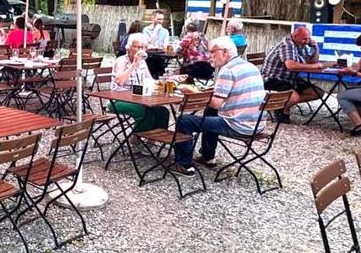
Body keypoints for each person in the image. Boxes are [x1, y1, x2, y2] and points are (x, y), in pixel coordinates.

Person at [173, 36, 266, 176]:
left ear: (225, 52)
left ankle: (183, 164)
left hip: (239, 125)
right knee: (210, 112)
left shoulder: (227, 70)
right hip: (258, 124)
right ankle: (207, 156)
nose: (209, 56)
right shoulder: (249, 66)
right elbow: (223, 96)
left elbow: (216, 103)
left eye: (212, 52)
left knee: (184, 120)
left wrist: (192, 92)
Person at [262, 26, 333, 123]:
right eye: (304, 39)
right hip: (273, 78)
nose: (307, 41)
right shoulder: (287, 45)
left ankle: (281, 104)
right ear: (295, 36)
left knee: (317, 93)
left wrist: (316, 48)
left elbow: (312, 62)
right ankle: (281, 107)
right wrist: (319, 65)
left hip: (290, 78)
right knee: (294, 98)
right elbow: (291, 66)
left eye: (308, 38)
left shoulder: (300, 45)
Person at [108, 33, 169, 134]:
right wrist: (134, 64)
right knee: (144, 113)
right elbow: (120, 81)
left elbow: (150, 81)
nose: (139, 50)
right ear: (129, 48)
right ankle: (136, 138)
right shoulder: (122, 61)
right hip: (118, 100)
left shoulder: (142, 62)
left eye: (142, 47)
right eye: (136, 46)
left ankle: (152, 140)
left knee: (162, 111)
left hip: (138, 98)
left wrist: (167, 80)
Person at [142, 11, 170, 78]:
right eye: (159, 19)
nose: (161, 21)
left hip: (160, 56)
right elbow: (148, 45)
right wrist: (156, 31)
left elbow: (165, 46)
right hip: (149, 56)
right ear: (153, 18)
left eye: (162, 19)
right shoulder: (146, 30)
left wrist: (154, 47)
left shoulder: (165, 31)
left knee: (160, 75)